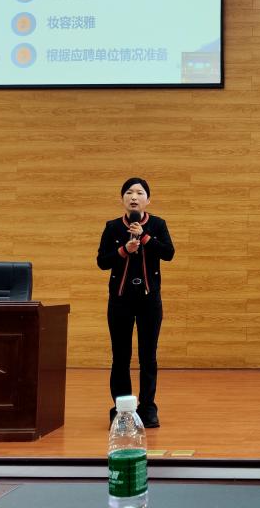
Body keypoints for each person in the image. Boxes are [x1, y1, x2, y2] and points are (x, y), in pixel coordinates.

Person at [97, 178, 175, 428]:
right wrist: (124, 251)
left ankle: (148, 408)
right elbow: (102, 261)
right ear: (122, 199)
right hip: (120, 300)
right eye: (129, 192)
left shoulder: (157, 224)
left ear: (147, 200)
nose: (134, 197)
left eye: (140, 193)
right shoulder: (112, 227)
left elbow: (169, 253)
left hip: (149, 300)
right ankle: (123, 410)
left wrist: (145, 238)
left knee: (148, 357)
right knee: (120, 357)